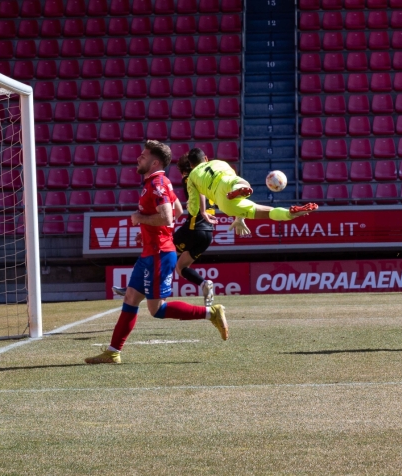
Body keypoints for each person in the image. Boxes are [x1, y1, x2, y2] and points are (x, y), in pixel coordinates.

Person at [85, 141, 228, 365]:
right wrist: (151, 230)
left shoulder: (158, 183)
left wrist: (141, 220)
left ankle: (212, 313)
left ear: (155, 162)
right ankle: (113, 352)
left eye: (143, 156)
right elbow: (179, 210)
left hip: (158, 254)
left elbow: (168, 217)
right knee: (131, 297)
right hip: (150, 252)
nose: (138, 159)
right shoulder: (157, 182)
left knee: (157, 309)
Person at [112, 153, 243, 306]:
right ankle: (204, 284)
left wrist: (201, 211)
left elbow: (196, 193)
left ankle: (133, 288)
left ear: (183, 170)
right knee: (181, 267)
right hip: (207, 233)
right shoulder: (209, 182)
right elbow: (180, 210)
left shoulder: (190, 178)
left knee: (157, 253)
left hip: (194, 229)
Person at [185, 148, 318, 223]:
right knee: (242, 184)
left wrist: (196, 211)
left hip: (223, 202)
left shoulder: (191, 177)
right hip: (226, 181)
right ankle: (290, 213)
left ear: (191, 166)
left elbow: (194, 206)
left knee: (265, 213)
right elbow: (230, 175)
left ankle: (290, 214)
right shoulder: (218, 162)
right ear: (206, 158)